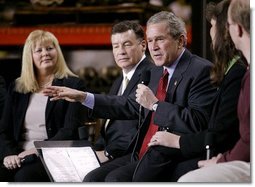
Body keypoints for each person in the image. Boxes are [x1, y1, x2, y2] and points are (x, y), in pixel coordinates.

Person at [43, 11, 216, 182]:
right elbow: (129, 105)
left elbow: (198, 121)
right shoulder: (157, 71)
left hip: (169, 153)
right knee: (91, 179)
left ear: (180, 41)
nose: (153, 47)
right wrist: (84, 97)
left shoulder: (201, 70)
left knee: (115, 180)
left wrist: (155, 105)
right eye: (150, 40)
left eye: (160, 39)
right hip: (141, 152)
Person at [146, 0, 248, 181]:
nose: (210, 32)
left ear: (229, 30)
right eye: (150, 41)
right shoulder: (153, 72)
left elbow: (219, 132)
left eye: (212, 26)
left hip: (224, 155)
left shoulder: (230, 71)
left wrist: (176, 140)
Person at [0, 30, 87, 182]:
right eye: (38, 50)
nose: (45, 53)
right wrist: (9, 154)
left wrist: (37, 149)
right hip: (18, 155)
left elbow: (69, 131)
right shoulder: (17, 87)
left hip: (51, 155)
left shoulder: (73, 85)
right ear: (30, 57)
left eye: (49, 48)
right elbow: (4, 130)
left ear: (57, 52)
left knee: (24, 177)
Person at [177, 0, 250, 182]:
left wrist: (223, 160)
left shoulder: (239, 71)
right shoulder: (238, 69)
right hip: (229, 152)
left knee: (184, 177)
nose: (210, 32)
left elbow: (233, 135)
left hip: (233, 155)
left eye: (212, 26)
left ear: (235, 29)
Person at [93, 20, 153, 163]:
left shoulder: (151, 74)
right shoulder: (119, 80)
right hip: (107, 150)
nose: (121, 51)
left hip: (130, 155)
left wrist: (107, 154)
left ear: (143, 45)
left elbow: (136, 129)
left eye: (127, 44)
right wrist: (96, 150)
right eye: (116, 46)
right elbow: (110, 124)